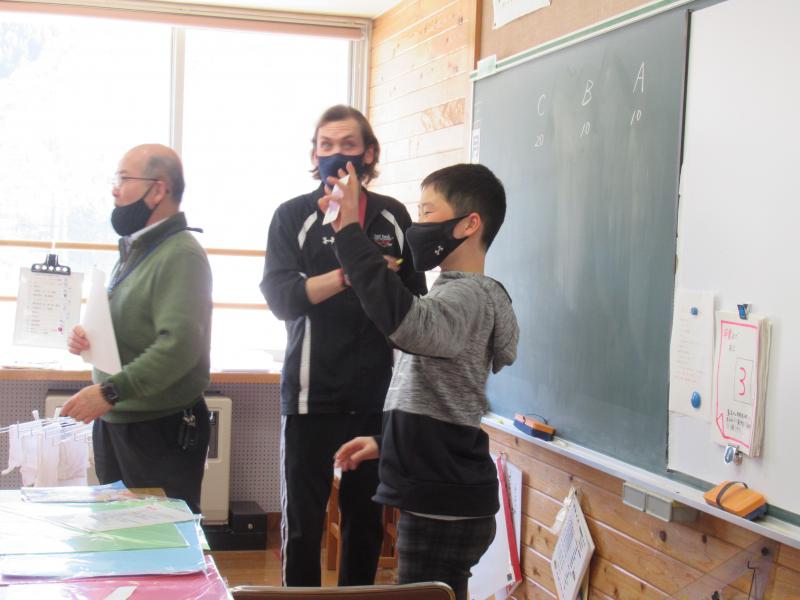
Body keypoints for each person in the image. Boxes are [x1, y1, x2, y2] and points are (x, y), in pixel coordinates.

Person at [325, 162, 519, 600]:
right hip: (444, 494)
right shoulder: (458, 294)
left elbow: (406, 323)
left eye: (428, 212)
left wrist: (350, 233)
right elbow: (443, 397)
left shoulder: (466, 295)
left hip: (443, 504)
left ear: (469, 224)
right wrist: (386, 443)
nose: (417, 225)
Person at [260, 105, 427, 587]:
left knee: (366, 524)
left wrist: (380, 281)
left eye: (348, 145)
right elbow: (281, 298)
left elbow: (414, 304)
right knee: (303, 526)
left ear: (369, 154)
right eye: (326, 146)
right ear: (314, 155)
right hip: (310, 396)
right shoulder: (292, 215)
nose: (336, 155)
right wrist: (351, 274)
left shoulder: (393, 216)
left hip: (376, 398)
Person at [63, 143, 212, 515]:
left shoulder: (180, 254)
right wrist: (90, 338)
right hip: (118, 418)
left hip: (157, 428)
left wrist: (110, 391)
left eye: (123, 179)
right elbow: (137, 325)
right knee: (118, 535)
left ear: (158, 189)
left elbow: (178, 345)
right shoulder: (138, 249)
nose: (115, 190)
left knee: (158, 539)